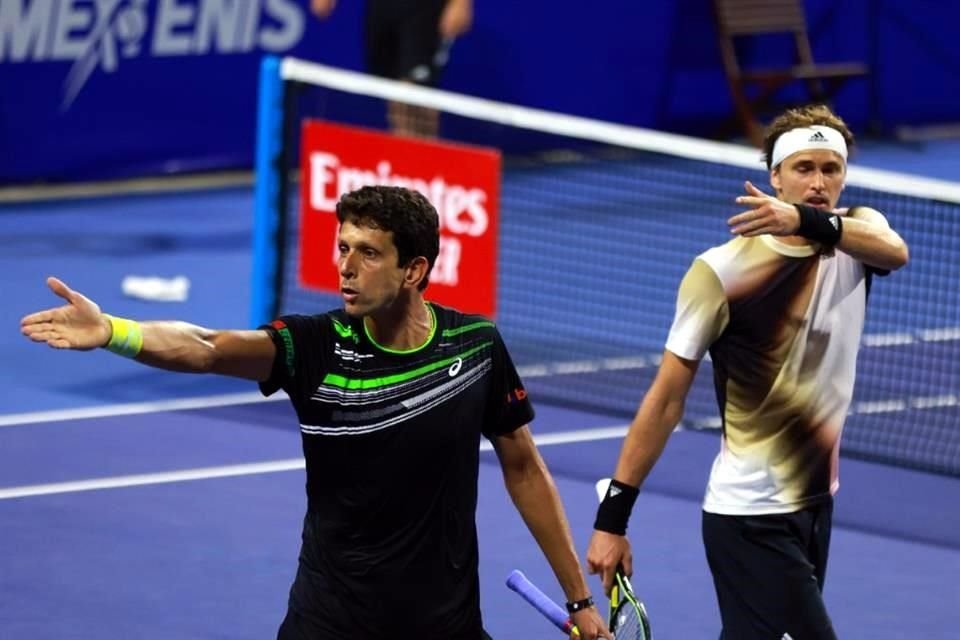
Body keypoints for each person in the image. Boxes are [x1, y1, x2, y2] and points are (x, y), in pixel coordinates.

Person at [21, 185, 610, 640]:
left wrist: (579, 601)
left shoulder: (476, 346)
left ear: (414, 270)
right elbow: (205, 347)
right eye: (343, 247)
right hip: (331, 621)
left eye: (369, 253)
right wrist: (115, 331)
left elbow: (525, 468)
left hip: (444, 622)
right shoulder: (314, 345)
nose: (346, 267)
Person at [585, 105, 909, 639]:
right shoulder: (720, 272)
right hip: (750, 517)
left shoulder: (858, 234)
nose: (819, 182)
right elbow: (666, 400)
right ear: (774, 177)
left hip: (815, 506)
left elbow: (895, 251)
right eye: (804, 169)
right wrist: (612, 521)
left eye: (831, 169)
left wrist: (806, 222)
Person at [311, 0, 473, 138]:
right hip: (383, 7)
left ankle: (417, 170)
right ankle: (403, 165)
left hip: (424, 8)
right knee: (392, 93)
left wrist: (461, 3)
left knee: (414, 99)